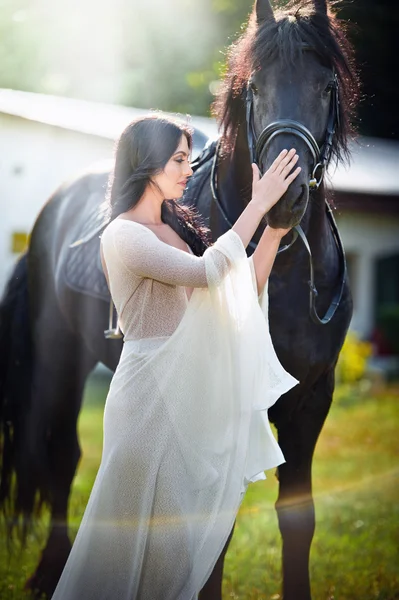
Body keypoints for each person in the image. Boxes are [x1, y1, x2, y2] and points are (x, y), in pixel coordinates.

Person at [51, 115, 300, 600]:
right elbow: (211, 272)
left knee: (176, 555)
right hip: (148, 402)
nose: (189, 169)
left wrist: (273, 229)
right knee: (124, 554)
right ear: (146, 164)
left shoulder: (173, 227)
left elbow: (238, 289)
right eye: (179, 159)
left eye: (188, 158)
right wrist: (257, 203)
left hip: (186, 397)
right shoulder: (123, 236)